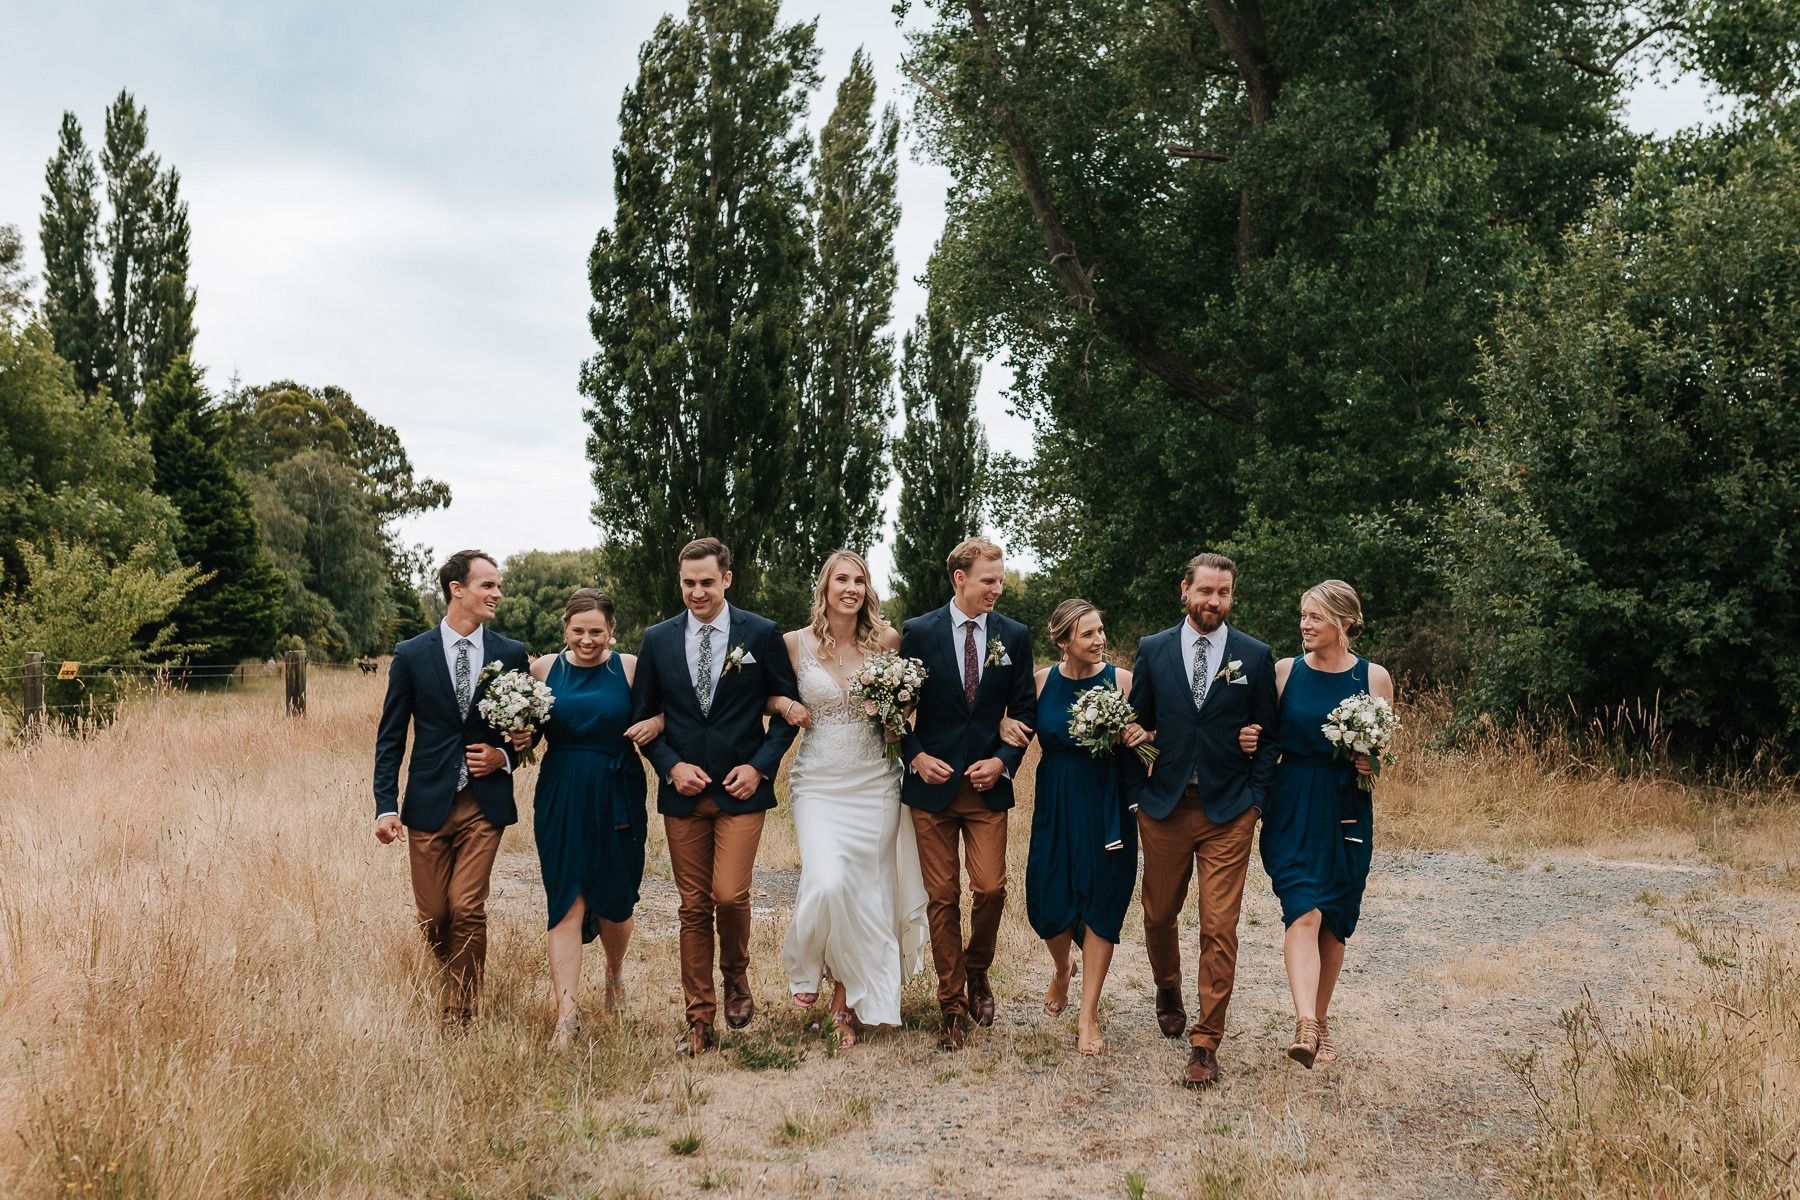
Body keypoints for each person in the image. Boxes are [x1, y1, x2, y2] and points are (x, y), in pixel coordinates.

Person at [630, 538, 800, 1057]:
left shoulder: (761, 633)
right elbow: (642, 721)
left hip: (741, 790)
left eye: (707, 582)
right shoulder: (657, 640)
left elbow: (787, 712)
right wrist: (670, 766)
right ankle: (699, 1018)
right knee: (692, 907)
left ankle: (736, 976)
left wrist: (758, 767)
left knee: (729, 894)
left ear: (727, 579)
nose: (697, 592)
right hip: (682, 793)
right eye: (688, 583)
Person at [1125, 551, 1278, 1088]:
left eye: (1224, 593)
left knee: (1219, 927)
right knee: (1159, 914)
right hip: (1164, 805)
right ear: (1184, 590)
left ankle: (1206, 1043)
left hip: (1228, 811)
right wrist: (1139, 789)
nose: (1215, 601)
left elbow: (1268, 734)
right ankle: (1167, 986)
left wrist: (1255, 798)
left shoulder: (1254, 656)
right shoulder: (1153, 649)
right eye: (1206, 591)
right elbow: (1137, 724)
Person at [768, 550, 929, 1047]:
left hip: (876, 778)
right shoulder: (793, 645)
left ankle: (845, 1004)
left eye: (859, 580)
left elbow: (904, 714)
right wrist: (786, 702)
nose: (851, 588)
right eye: (842, 579)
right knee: (827, 880)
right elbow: (765, 695)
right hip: (817, 781)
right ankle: (805, 964)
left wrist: (896, 713)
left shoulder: (888, 642)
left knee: (866, 893)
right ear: (825, 587)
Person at [372, 549, 528, 1027]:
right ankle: (455, 975)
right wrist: (384, 805)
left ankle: (461, 1010)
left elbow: (528, 727)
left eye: (498, 585)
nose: (497, 593)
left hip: (485, 802)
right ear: (456, 589)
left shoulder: (510, 653)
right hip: (427, 802)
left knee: (467, 906)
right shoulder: (412, 654)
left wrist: (505, 756)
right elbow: (391, 735)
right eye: (488, 585)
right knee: (434, 915)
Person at [1241, 580, 1393, 1068]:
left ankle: (1320, 1019)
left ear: (1344, 623)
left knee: (1334, 921)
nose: (1304, 625)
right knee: (1303, 909)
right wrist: (1247, 741)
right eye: (1303, 615)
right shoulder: (1285, 673)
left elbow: (1383, 749)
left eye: (1315, 617)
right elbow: (1263, 738)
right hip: (1293, 801)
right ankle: (1305, 1022)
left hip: (1347, 803)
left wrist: (1373, 762)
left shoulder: (1375, 679)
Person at [900, 536, 1037, 1050]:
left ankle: (977, 970)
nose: (997, 589)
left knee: (991, 888)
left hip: (985, 789)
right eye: (988, 580)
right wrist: (915, 756)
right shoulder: (918, 632)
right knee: (941, 898)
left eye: (1000, 579)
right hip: (930, 790)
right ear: (960, 578)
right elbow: (895, 708)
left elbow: (1025, 710)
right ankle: (952, 1004)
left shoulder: (1014, 636)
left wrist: (1002, 761)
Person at [506, 589, 652, 1051]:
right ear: (565, 628)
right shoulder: (543, 669)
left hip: (617, 788)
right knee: (566, 896)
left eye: (596, 631)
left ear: (611, 630)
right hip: (562, 790)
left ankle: (614, 975)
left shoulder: (630, 668)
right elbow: (524, 733)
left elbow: (665, 715)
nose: (586, 640)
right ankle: (566, 1014)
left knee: (617, 899)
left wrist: (659, 725)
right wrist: (520, 736)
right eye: (578, 631)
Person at [1005, 599, 1138, 1056]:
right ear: (1063, 642)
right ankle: (1062, 967)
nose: (1099, 640)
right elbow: (1011, 721)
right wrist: (1003, 722)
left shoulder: (1122, 682)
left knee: (1102, 896)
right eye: (1088, 634)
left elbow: (1147, 740)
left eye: (1101, 630)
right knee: (1046, 896)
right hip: (1056, 799)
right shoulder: (1041, 682)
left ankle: (1088, 1015)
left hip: (1106, 800)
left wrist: (1138, 737)